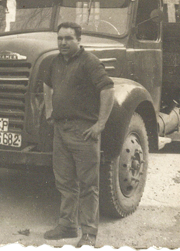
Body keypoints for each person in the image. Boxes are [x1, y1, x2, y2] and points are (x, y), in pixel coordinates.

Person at [43, 22, 114, 247]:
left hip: (83, 132)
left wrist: (100, 124)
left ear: (79, 40)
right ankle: (67, 225)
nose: (63, 43)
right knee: (64, 182)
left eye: (68, 38)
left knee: (88, 184)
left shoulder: (89, 62)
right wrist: (49, 111)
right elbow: (47, 85)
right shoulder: (55, 62)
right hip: (61, 130)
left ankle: (89, 234)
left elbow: (108, 89)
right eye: (60, 38)